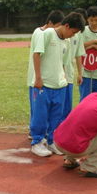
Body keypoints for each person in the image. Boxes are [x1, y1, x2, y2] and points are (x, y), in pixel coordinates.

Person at [29, 12, 85, 157]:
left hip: (60, 85)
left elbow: (65, 63)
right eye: (73, 32)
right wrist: (38, 78)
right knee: (40, 115)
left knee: (57, 115)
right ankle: (37, 142)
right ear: (66, 26)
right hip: (44, 84)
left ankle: (51, 141)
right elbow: (36, 54)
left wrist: (64, 80)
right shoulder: (47, 34)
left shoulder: (66, 42)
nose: (73, 36)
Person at [27, 10, 64, 140]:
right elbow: (36, 53)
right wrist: (38, 77)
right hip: (37, 78)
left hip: (45, 77)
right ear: (49, 23)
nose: (58, 29)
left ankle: (46, 135)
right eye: (57, 26)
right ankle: (35, 133)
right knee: (38, 109)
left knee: (46, 109)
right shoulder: (41, 33)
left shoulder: (49, 34)